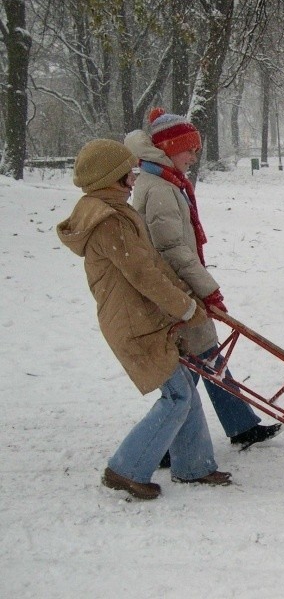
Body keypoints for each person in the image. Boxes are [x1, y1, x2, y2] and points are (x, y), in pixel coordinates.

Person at [57, 139, 231, 500]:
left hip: (142, 316)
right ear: (112, 177)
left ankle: (194, 465)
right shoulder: (109, 222)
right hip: (134, 323)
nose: (134, 180)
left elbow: (152, 264)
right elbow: (144, 275)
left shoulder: (114, 210)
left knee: (183, 387)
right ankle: (126, 468)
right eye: (128, 174)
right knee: (177, 396)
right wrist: (184, 308)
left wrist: (188, 293)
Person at [124, 108, 281, 458]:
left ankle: (240, 425)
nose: (194, 157)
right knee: (194, 363)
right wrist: (207, 288)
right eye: (189, 150)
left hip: (181, 288)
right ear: (168, 148)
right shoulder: (161, 188)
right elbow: (173, 249)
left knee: (204, 357)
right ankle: (166, 443)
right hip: (178, 290)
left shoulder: (163, 181)